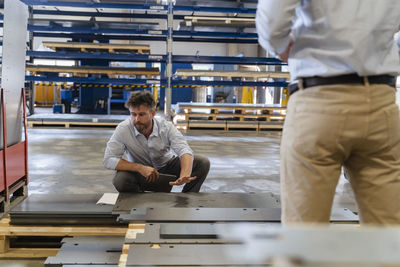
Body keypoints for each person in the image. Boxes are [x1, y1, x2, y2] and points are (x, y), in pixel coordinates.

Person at [256, 0, 400, 224]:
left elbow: (273, 18)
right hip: (382, 101)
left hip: (319, 102)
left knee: (303, 235)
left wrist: (280, 45)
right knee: (389, 233)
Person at [103, 91, 210, 193]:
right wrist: (139, 168)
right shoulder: (123, 129)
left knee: (202, 163)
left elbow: (184, 149)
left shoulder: (166, 127)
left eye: (141, 114)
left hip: (166, 167)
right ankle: (140, 200)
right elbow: (108, 159)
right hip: (140, 172)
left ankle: (187, 199)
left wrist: (184, 175)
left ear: (153, 113)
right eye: (133, 114)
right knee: (121, 180)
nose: (136, 119)